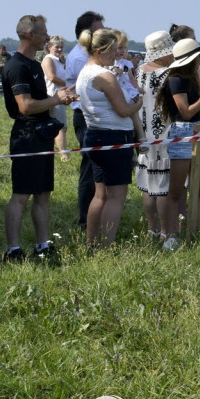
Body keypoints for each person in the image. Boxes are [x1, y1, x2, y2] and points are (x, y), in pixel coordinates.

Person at [2, 15, 78, 262]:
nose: (47, 36)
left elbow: (39, 100)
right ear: (29, 35)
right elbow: (24, 106)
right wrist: (56, 99)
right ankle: (13, 250)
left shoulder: (34, 65)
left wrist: (60, 96)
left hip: (42, 134)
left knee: (43, 193)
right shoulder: (16, 66)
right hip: (26, 136)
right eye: (44, 32)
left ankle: (42, 245)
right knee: (21, 194)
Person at [76, 28, 143, 247]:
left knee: (100, 195)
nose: (117, 54)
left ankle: (91, 242)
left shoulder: (85, 72)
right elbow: (124, 110)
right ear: (98, 50)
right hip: (114, 137)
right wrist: (139, 99)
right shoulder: (105, 76)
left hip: (94, 135)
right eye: (113, 50)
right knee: (116, 196)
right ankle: (105, 246)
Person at [156, 38, 200, 248]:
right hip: (183, 133)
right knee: (176, 191)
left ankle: (198, 230)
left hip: (197, 131)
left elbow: (196, 109)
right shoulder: (176, 80)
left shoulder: (191, 79)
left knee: (198, 188)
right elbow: (185, 112)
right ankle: (169, 235)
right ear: (191, 60)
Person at [65, 10, 105, 229]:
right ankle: (85, 220)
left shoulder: (87, 54)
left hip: (91, 115)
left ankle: (94, 216)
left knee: (96, 166)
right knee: (90, 168)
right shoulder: (81, 58)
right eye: (100, 31)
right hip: (86, 116)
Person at [135, 31, 174, 241]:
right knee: (162, 188)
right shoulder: (169, 73)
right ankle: (166, 233)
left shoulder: (139, 71)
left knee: (149, 186)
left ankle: (152, 228)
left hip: (144, 134)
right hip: (165, 133)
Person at [41, 35, 70, 159]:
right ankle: (63, 154)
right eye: (57, 47)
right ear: (49, 47)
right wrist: (69, 84)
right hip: (53, 96)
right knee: (61, 126)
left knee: (59, 126)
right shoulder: (49, 59)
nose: (59, 49)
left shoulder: (58, 60)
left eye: (61, 47)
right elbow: (52, 77)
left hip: (59, 96)